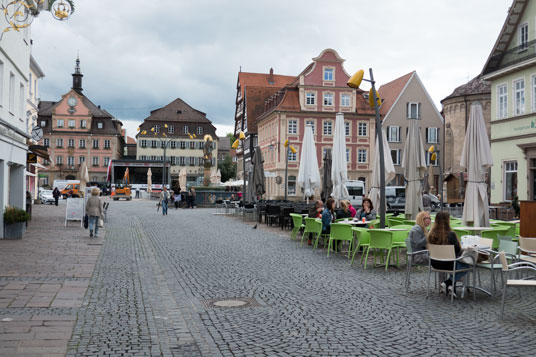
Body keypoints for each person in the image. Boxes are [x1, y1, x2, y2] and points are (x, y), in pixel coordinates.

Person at [427, 211, 468, 298]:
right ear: (448, 221)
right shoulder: (451, 235)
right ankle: (448, 283)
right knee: (467, 263)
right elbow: (458, 250)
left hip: (434, 263)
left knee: (456, 262)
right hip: (449, 264)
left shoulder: (431, 234)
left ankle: (450, 286)